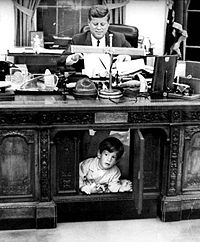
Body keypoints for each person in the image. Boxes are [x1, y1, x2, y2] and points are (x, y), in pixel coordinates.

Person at [57, 4, 131, 73]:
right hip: (87, 82)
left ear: (108, 24)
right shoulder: (78, 39)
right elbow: (61, 60)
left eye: (102, 24)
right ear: (89, 23)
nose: (99, 28)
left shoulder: (118, 38)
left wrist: (126, 56)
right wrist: (72, 58)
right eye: (95, 24)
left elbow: (136, 54)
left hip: (111, 81)